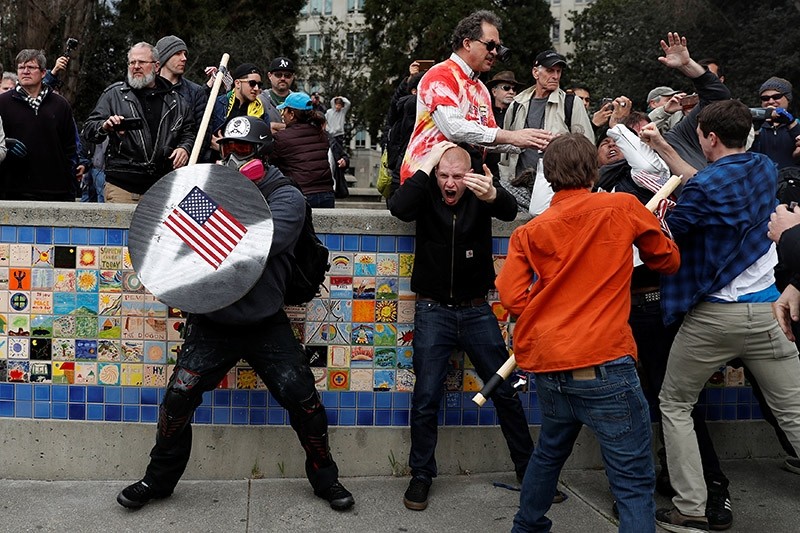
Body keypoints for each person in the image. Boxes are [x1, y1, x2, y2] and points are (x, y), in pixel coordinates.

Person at [116, 115, 354, 512]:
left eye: (242, 149)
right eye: (226, 147)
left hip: (265, 322)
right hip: (213, 321)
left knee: (305, 402)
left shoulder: (286, 197)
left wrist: (205, 218)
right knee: (177, 400)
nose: (232, 156)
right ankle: (157, 481)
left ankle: (325, 479)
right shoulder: (206, 187)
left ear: (261, 153)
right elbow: (172, 236)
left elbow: (251, 247)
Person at [498, 133, 679, 533]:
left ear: (548, 174)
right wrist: (656, 226)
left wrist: (552, 311)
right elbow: (667, 261)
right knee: (632, 482)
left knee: (548, 454)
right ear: (594, 170)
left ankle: (525, 527)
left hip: (551, 367)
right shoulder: (621, 207)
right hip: (605, 364)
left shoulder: (530, 231)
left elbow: (512, 297)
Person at [655, 99, 800, 533]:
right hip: (771, 311)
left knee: (675, 403)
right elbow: (712, 183)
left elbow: (671, 237)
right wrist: (664, 149)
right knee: (795, 412)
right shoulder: (763, 168)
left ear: (709, 138)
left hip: (714, 319)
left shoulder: (702, 190)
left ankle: (693, 509)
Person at [389, 142, 543, 512]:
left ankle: (529, 471)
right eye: (444, 176)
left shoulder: (480, 193)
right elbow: (398, 207)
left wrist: (492, 192)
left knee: (503, 390)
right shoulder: (426, 190)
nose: (450, 184)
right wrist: (426, 166)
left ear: (470, 175)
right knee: (426, 397)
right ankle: (421, 475)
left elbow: (509, 211)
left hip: (476, 310)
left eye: (457, 176)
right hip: (433, 309)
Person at [399, 10, 553, 184]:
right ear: (467, 43)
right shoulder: (441, 75)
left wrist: (530, 140)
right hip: (425, 181)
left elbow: (488, 138)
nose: (496, 53)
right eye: (490, 45)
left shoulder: (481, 88)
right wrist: (513, 137)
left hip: (459, 184)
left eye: (498, 47)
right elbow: (454, 128)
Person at [82, 42, 194, 203]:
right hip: (122, 186)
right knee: (119, 229)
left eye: (141, 62)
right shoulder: (113, 94)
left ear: (156, 66)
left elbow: (189, 131)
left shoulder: (176, 100)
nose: (136, 66)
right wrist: (104, 126)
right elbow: (88, 129)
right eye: (132, 62)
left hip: (162, 188)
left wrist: (184, 147)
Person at [498, 49, 594, 213]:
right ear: (536, 72)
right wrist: (506, 180)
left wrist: (559, 145)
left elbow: (588, 148)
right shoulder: (516, 105)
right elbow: (505, 150)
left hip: (558, 186)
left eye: (559, 71)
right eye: (550, 70)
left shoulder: (571, 103)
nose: (555, 76)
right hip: (519, 186)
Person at [0, 49, 79, 201]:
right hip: (13, 190)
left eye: (31, 67)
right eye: (21, 67)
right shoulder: (3, 103)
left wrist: (69, 180)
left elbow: (70, 147)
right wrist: (6, 145)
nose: (25, 71)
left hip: (56, 190)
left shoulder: (60, 104)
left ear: (43, 73)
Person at [272, 92, 335, 208]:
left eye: (284, 111)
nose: (282, 115)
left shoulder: (281, 138)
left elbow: (271, 163)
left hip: (301, 194)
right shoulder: (322, 134)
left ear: (291, 114)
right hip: (327, 194)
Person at [155, 35, 208, 136]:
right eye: (178, 53)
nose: (184, 58)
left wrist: (186, 149)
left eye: (184, 54)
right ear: (164, 57)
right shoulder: (148, 90)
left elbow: (202, 133)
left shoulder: (196, 92)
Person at [210, 62, 268, 153]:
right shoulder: (218, 104)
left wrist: (225, 148)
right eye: (252, 83)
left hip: (245, 164)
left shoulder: (260, 111)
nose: (256, 88)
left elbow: (264, 146)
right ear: (237, 83)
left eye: (259, 85)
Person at [749, 77, 800, 170]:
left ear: (788, 99)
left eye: (776, 97)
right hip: (764, 182)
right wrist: (755, 130)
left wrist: (791, 124)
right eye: (765, 98)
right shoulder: (755, 128)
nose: (771, 101)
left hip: (792, 181)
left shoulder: (796, 124)